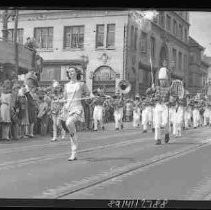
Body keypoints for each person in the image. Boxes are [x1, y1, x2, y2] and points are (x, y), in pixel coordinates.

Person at [59, 66, 90, 161]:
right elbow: (65, 98)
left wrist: (90, 97)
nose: (70, 73)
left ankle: (74, 147)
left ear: (76, 73)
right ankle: (74, 150)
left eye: (72, 71)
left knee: (69, 123)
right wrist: (60, 100)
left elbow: (88, 93)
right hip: (67, 108)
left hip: (77, 108)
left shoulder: (81, 84)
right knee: (63, 125)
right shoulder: (66, 85)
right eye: (69, 72)